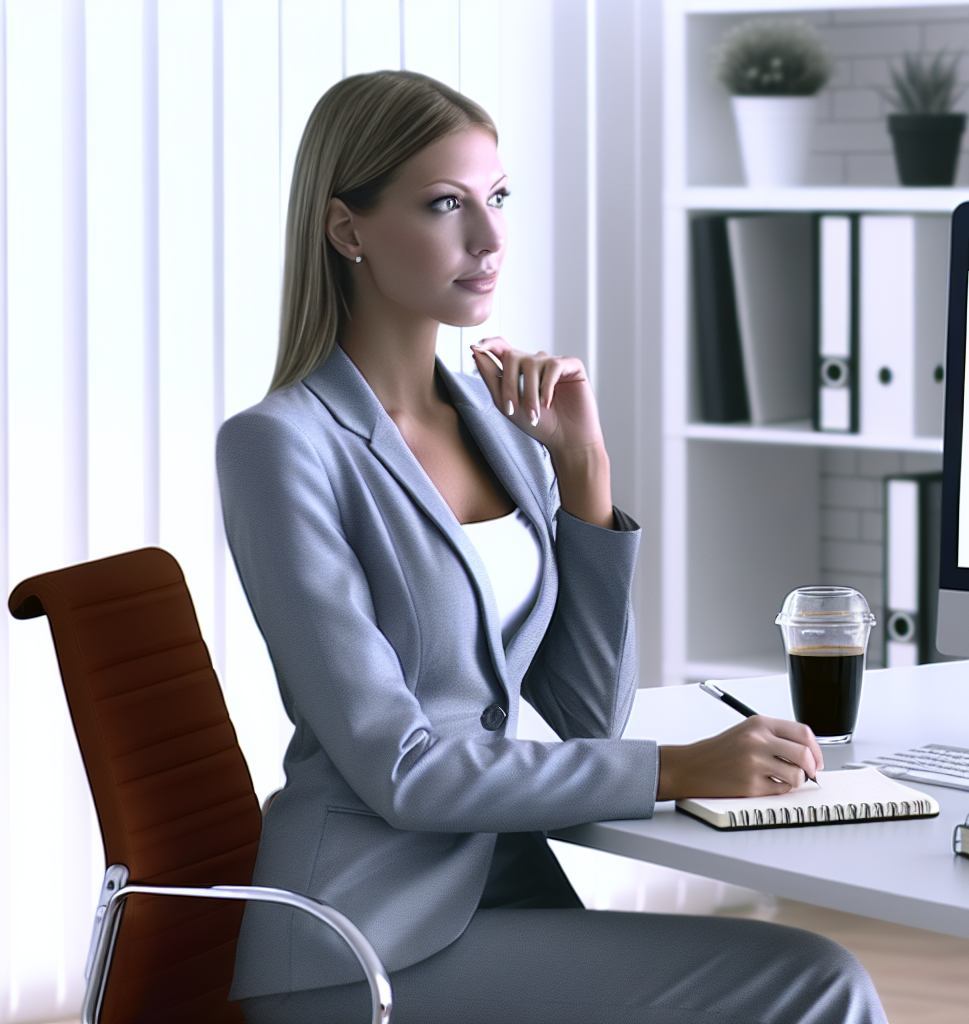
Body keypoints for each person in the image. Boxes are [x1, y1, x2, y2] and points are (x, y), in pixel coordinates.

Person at [217, 70, 888, 1024]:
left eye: (496, 199)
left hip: (504, 899)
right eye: (445, 205)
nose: (488, 240)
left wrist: (583, 471)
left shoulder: (497, 430)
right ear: (347, 229)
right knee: (813, 981)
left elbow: (582, 721)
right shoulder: (281, 446)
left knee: (806, 976)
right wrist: (680, 767)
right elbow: (401, 766)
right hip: (361, 945)